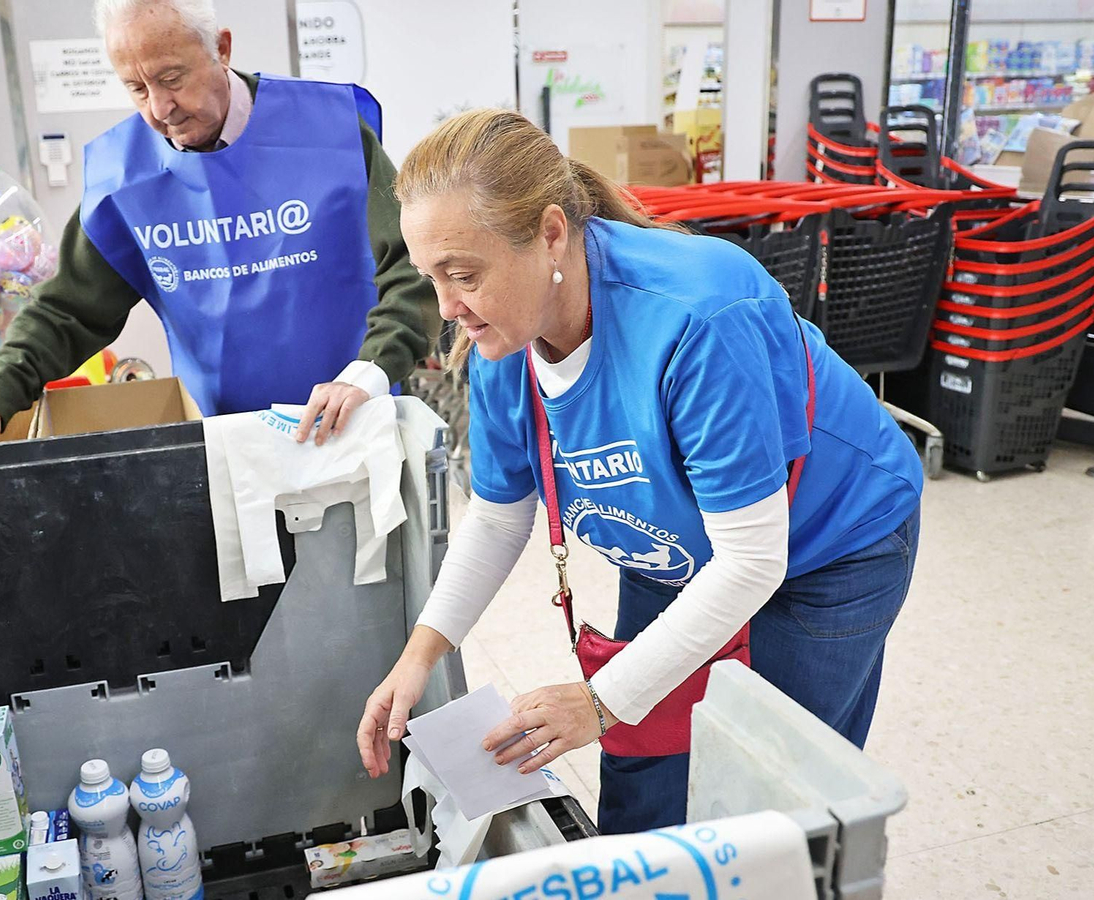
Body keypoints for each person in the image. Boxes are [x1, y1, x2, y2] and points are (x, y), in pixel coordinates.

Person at [354, 110, 924, 832]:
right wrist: (418, 658)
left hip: (829, 544)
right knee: (642, 766)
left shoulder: (696, 315)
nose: (446, 308)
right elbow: (500, 516)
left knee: (767, 790)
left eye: (463, 274)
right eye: (430, 277)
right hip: (675, 548)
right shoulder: (503, 338)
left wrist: (598, 701)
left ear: (552, 233)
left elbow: (752, 559)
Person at [0, 0, 436, 450]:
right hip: (223, 442)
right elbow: (65, 311)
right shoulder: (123, 179)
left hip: (357, 419)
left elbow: (415, 266)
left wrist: (374, 368)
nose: (160, 108)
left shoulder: (330, 133)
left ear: (221, 48)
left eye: (172, 78)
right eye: (137, 88)